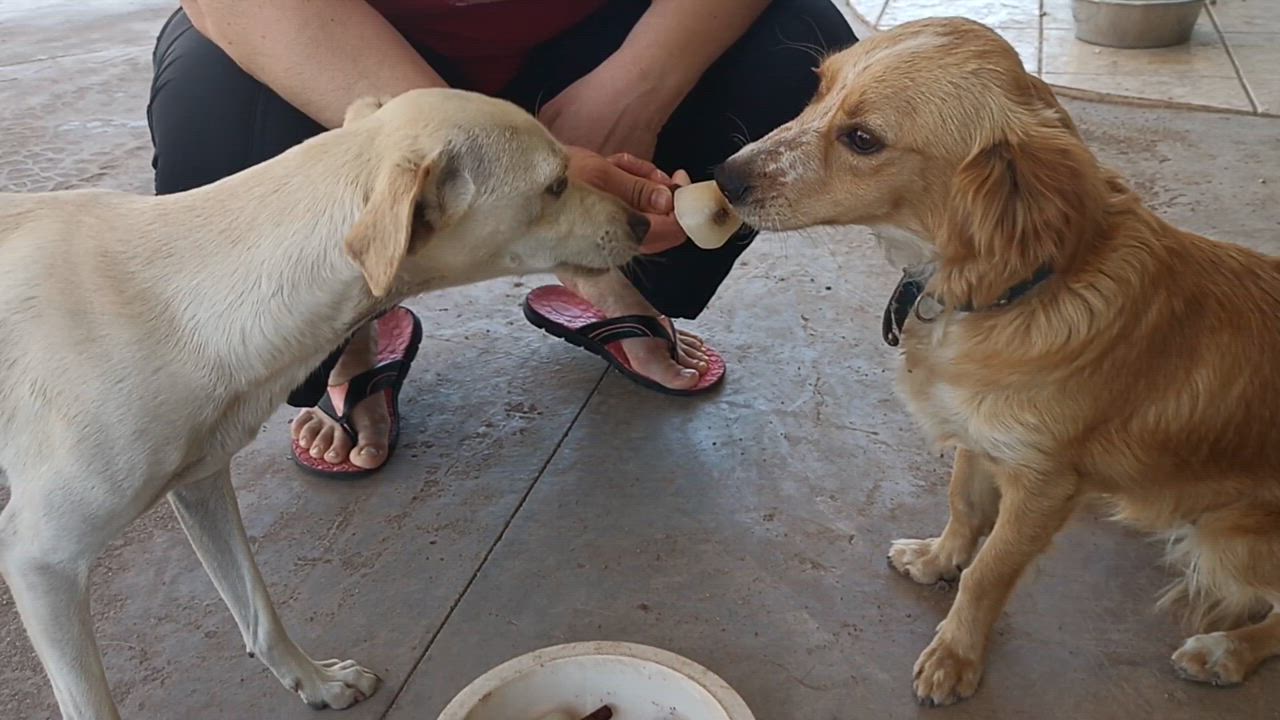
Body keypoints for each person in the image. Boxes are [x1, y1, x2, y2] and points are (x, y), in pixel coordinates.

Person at [147, 0, 857, 476]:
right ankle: (351, 328)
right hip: (349, 39)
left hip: (606, 25)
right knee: (218, 130)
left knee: (802, 48)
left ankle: (610, 277)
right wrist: (456, 133)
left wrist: (639, 86)